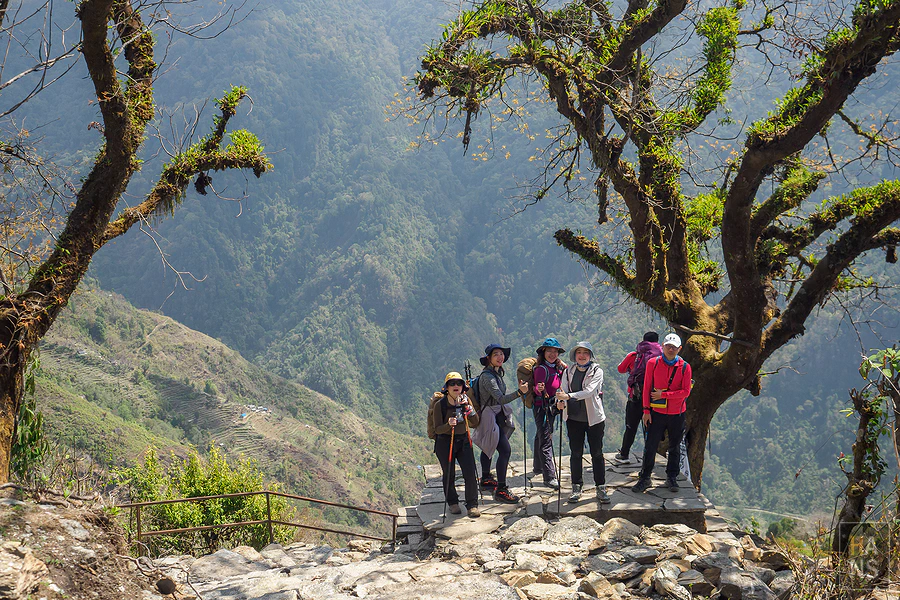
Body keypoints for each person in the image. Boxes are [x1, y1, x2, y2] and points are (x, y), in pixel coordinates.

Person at [631, 333, 693, 494]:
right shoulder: (653, 363)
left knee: (675, 447)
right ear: (663, 346)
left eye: (674, 347)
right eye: (668, 346)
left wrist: (663, 395)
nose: (670, 349)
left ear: (679, 349)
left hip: (677, 413)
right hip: (656, 412)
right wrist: (646, 410)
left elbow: (685, 392)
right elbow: (647, 388)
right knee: (650, 446)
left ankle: (671, 477)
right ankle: (644, 478)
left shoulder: (685, 367)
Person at [472, 343, 529, 504]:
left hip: (494, 414)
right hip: (490, 415)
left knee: (488, 446)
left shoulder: (495, 373)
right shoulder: (488, 377)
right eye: (496, 354)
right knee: (505, 450)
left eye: (501, 354)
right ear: (489, 358)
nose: (500, 357)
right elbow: (500, 398)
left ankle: (486, 479)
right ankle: (501, 490)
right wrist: (520, 392)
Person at [555, 341, 610, 504]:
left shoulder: (597, 371)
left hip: (594, 419)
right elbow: (562, 390)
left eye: (586, 352)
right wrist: (560, 401)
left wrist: (568, 397)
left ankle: (601, 486)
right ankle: (576, 487)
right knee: (576, 453)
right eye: (579, 352)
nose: (582, 355)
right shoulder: (568, 371)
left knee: (597, 453)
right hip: (573, 418)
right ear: (575, 355)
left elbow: (590, 391)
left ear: (590, 355)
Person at [429, 372, 481, 518]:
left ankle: (472, 505)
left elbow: (475, 422)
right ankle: (453, 503)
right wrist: (448, 425)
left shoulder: (466, 401)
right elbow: (437, 429)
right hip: (445, 442)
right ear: (446, 388)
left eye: (459, 383)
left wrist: (468, 409)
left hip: (463, 440)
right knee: (449, 473)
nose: (456, 386)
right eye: (452, 384)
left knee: (470, 473)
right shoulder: (440, 405)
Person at [616, 332, 662, 460]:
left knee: (631, 426)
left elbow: (620, 369)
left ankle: (624, 454)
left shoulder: (635, 356)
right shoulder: (662, 357)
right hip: (654, 398)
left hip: (635, 396)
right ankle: (649, 457)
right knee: (651, 428)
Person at [532, 337, 566, 489]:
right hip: (542, 407)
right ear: (543, 352)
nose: (552, 354)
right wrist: (537, 390)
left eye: (555, 351)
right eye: (549, 351)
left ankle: (538, 466)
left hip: (551, 406)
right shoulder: (541, 369)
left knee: (542, 434)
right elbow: (536, 388)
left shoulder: (555, 367)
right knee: (546, 440)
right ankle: (549, 476)